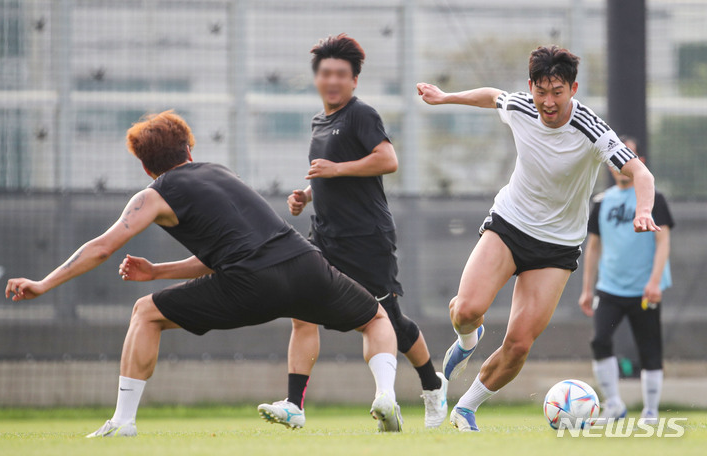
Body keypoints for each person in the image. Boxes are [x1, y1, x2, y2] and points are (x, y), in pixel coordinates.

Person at [4, 110, 404, 436]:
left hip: (252, 281)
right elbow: (229, 250)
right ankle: (385, 393)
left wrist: (43, 283)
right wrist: (159, 271)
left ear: (146, 167)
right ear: (189, 150)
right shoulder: (221, 172)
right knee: (375, 317)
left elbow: (102, 247)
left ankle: (123, 422)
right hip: (304, 262)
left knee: (146, 313)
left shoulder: (152, 195)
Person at [416, 45, 659, 432]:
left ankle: (465, 408)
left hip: (557, 247)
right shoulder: (521, 106)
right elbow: (492, 96)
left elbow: (641, 175)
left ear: (573, 89)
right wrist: (446, 97)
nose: (548, 102)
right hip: (510, 225)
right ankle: (467, 339)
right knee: (465, 310)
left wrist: (643, 211)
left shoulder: (592, 129)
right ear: (531, 87)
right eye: (541, 91)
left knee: (519, 344)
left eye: (557, 92)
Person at [257, 34, 447, 430]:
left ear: (354, 80)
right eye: (326, 73)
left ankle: (431, 384)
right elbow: (332, 170)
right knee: (301, 314)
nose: (332, 81)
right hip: (324, 238)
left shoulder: (361, 114)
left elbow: (387, 159)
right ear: (317, 77)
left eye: (341, 75)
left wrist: (334, 170)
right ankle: (295, 404)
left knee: (388, 320)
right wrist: (307, 194)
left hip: (366, 238)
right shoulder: (319, 121)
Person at [579, 137, 673, 424]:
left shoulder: (653, 197)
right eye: (615, 159)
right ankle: (614, 405)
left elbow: (663, 241)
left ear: (639, 162)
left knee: (649, 348)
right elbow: (593, 247)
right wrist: (586, 289)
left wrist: (655, 281)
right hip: (609, 289)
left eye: (627, 156)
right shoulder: (601, 201)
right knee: (600, 341)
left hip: (644, 290)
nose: (620, 164)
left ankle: (651, 411)